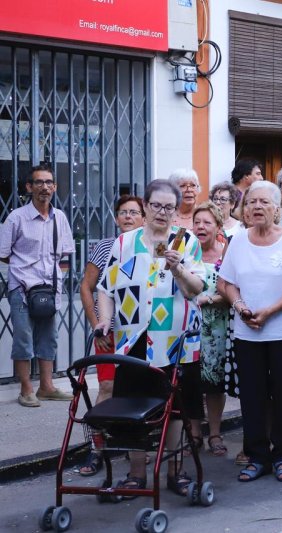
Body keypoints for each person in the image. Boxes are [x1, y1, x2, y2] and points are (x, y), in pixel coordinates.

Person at [96, 179, 206, 496]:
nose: (161, 212)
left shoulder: (186, 242)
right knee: (132, 404)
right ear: (145, 206)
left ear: (176, 210)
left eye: (168, 207)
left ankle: (175, 471)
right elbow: (105, 289)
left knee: (174, 408)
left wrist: (178, 269)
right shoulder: (124, 243)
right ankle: (136, 474)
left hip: (176, 339)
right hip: (133, 338)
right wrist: (105, 321)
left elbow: (196, 290)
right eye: (155, 205)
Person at [218, 181, 282, 482]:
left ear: (276, 208)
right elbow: (226, 282)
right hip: (248, 332)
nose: (256, 207)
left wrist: (269, 311)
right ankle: (257, 456)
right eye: (251, 202)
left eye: (263, 202)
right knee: (252, 396)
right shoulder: (239, 240)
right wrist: (241, 306)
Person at [76, 194, 145, 475]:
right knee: (106, 388)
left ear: (144, 217)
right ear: (116, 218)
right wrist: (97, 325)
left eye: (134, 212)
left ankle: (134, 447)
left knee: (137, 393)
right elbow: (86, 288)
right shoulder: (105, 247)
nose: (128, 217)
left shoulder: (149, 248)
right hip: (110, 333)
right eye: (123, 212)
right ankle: (97, 448)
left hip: (141, 334)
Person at [0, 163, 76, 407]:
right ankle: (26, 389)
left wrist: (57, 281)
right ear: (29, 187)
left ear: (54, 187)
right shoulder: (16, 218)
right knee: (23, 339)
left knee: (49, 338)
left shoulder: (59, 218)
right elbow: (3, 253)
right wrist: (23, 268)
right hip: (22, 288)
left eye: (48, 182)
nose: (44, 187)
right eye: (39, 182)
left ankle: (47, 387)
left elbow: (65, 254)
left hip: (50, 289)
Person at [192, 202, 231, 457]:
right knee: (190, 382)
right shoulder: (184, 251)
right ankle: (194, 433)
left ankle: (215, 433)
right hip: (190, 328)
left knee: (214, 383)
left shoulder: (226, 253)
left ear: (218, 227)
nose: (200, 227)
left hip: (218, 327)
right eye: (197, 222)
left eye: (207, 222)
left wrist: (208, 299)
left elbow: (234, 289)